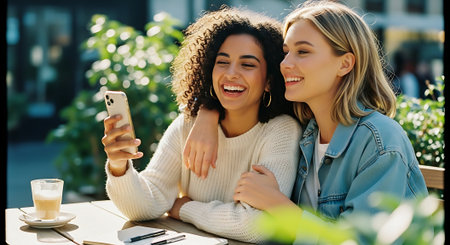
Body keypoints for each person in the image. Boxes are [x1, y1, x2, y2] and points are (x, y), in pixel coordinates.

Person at [184, 0, 429, 237]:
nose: (285, 64)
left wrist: (277, 205)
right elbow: (240, 99)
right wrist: (206, 113)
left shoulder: (380, 142)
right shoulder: (306, 132)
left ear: (345, 64)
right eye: (286, 52)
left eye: (302, 52)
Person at [101, 7, 301, 243]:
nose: (231, 73)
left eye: (247, 65)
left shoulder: (281, 130)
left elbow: (257, 227)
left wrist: (184, 208)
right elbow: (147, 204)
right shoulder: (189, 124)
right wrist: (119, 166)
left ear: (269, 81)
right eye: (222, 62)